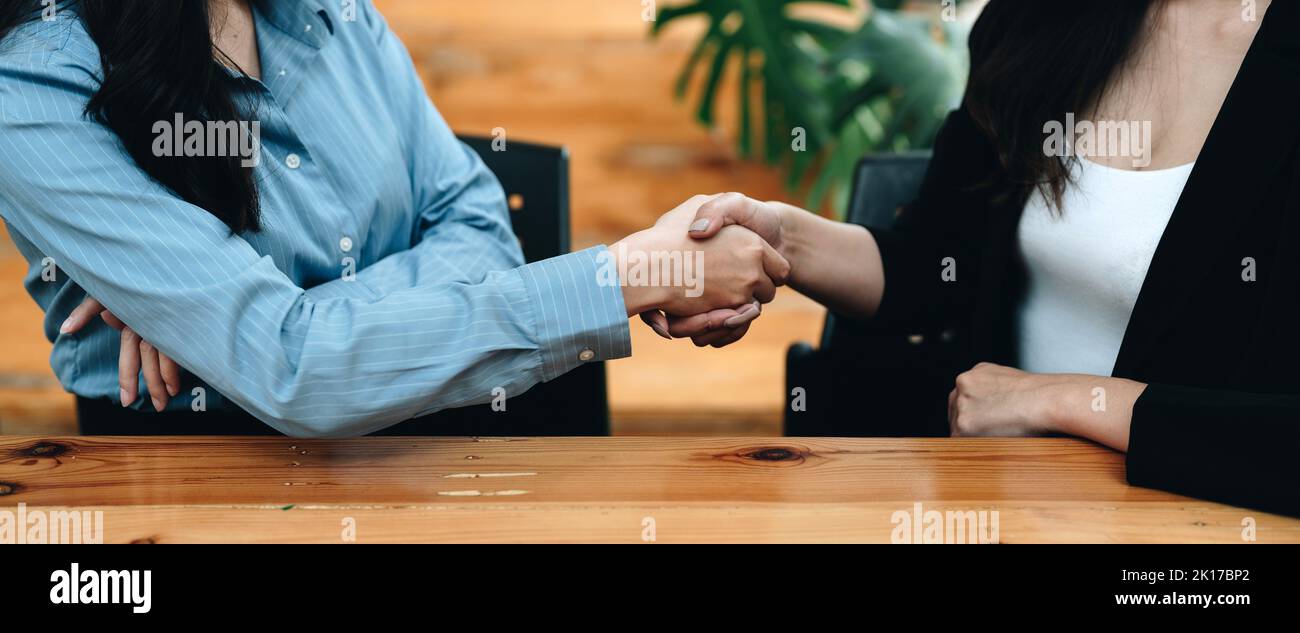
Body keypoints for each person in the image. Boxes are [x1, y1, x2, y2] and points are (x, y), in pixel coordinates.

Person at [0, 0, 785, 437]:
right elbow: (297, 373)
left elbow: (477, 219)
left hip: (467, 432)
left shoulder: (329, 11)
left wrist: (231, 331)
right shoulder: (35, 90)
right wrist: (624, 275)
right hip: (211, 476)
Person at [659, 0, 1300, 515]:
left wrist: (1067, 402)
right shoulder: (1039, 18)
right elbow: (938, 266)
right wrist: (782, 239)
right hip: (1002, 508)